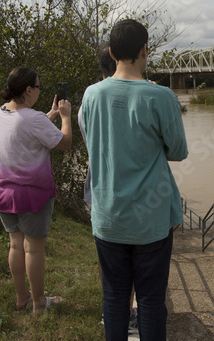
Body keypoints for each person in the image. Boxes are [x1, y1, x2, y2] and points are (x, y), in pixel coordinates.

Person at [80, 19, 188, 340]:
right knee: (152, 301)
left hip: (108, 218)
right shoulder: (161, 97)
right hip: (150, 221)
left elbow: (96, 145)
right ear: (144, 50)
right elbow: (178, 151)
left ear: (112, 52)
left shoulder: (91, 95)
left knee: (114, 298)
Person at [0, 67, 71, 313]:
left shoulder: (2, 112)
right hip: (32, 194)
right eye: (38, 86)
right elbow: (65, 143)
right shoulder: (33, 119)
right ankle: (39, 304)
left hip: (4, 192)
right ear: (28, 89)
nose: (39, 90)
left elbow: (26, 128)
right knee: (34, 249)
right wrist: (66, 117)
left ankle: (22, 298)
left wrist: (51, 113)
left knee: (16, 245)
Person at [77, 42, 138, 331]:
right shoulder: (140, 95)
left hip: (99, 189)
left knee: (109, 255)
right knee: (138, 251)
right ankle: (129, 309)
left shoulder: (88, 100)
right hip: (134, 190)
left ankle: (114, 309)